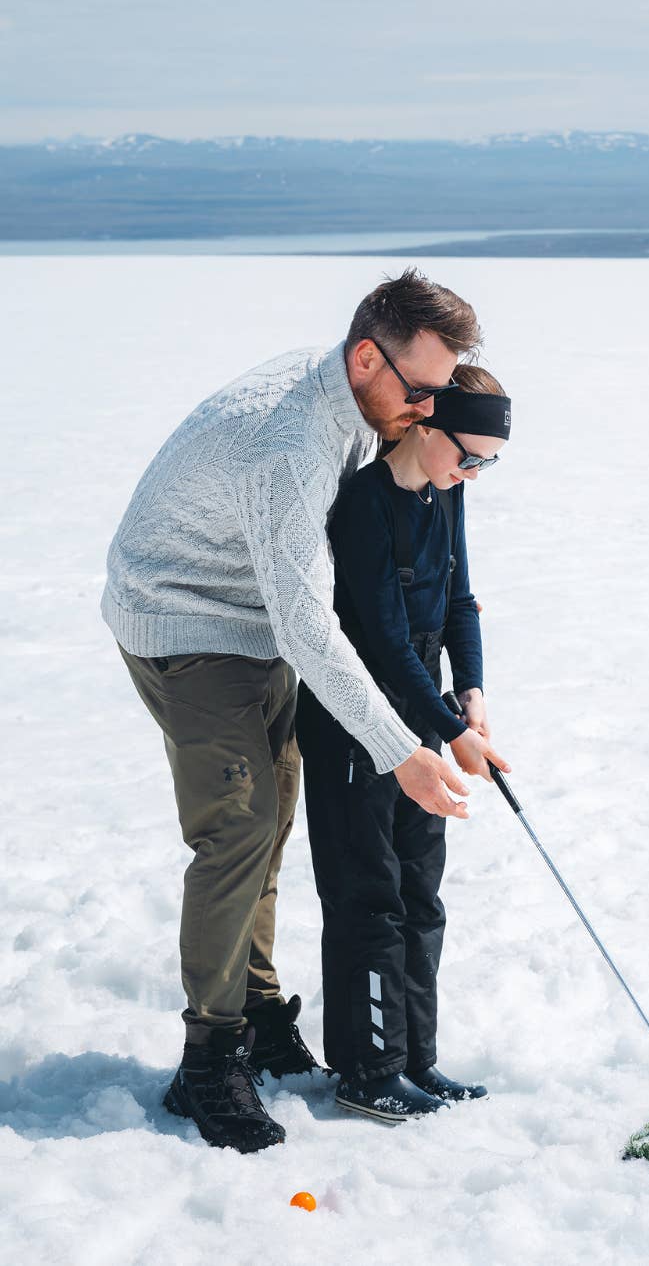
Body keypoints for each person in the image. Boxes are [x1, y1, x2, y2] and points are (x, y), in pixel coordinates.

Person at [106, 270, 481, 1153]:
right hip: (184, 617)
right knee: (236, 827)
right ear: (364, 356)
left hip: (254, 618)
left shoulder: (355, 399)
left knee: (269, 822)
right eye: (420, 390)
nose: (428, 411)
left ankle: (260, 1011)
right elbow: (305, 621)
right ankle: (209, 1057)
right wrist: (401, 749)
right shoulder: (292, 445)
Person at [298, 364, 512, 1123]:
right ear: (424, 426)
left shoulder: (444, 491)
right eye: (468, 454)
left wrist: (472, 694)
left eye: (488, 461)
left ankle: (414, 1057)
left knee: (421, 892)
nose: (473, 473)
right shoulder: (362, 503)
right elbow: (383, 640)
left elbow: (458, 600)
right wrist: (452, 730)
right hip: (355, 714)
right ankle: (367, 1067)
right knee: (370, 898)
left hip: (422, 702)